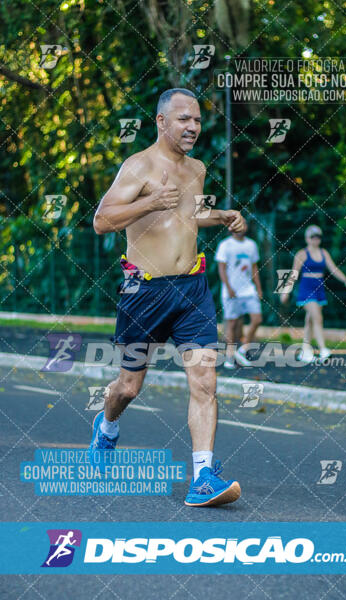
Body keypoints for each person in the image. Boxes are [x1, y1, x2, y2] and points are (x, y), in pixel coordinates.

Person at [89, 88, 245, 507]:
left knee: (205, 381)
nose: (193, 126)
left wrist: (221, 216)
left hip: (192, 288)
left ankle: (203, 477)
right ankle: (106, 427)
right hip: (146, 291)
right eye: (183, 119)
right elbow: (102, 220)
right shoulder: (138, 166)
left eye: (196, 119)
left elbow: (186, 216)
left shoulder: (196, 168)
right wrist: (151, 200)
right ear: (161, 122)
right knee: (128, 387)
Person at [281, 224, 346, 363]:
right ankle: (323, 349)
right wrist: (286, 291)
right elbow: (294, 274)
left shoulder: (324, 253)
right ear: (307, 238)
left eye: (318, 237)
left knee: (310, 320)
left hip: (319, 290)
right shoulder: (301, 254)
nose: (315, 239)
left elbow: (333, 269)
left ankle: (304, 351)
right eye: (313, 237)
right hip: (306, 291)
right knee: (317, 317)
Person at [215, 221, 263, 369]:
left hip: (248, 290)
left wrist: (259, 288)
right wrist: (229, 287)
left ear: (246, 227)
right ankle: (230, 356)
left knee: (257, 319)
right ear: (231, 228)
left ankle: (242, 350)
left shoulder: (251, 245)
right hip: (231, 291)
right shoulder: (225, 245)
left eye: (243, 225)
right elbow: (221, 269)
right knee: (232, 323)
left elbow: (254, 267)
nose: (240, 228)